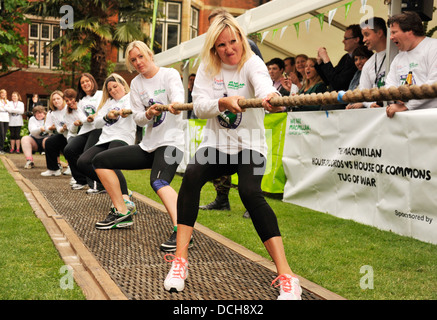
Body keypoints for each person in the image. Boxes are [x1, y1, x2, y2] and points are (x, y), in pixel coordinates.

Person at [163, 11, 302, 300]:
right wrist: (222, 103)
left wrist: (271, 101)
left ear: (241, 38)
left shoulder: (253, 62)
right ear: (213, 48)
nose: (229, 49)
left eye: (233, 41)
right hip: (216, 144)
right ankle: (180, 261)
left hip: (250, 145)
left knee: (251, 194)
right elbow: (199, 106)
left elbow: (264, 88)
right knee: (192, 175)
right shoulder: (207, 67)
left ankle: (287, 275)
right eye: (221, 45)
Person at [91, 41, 185, 252]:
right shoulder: (136, 84)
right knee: (99, 161)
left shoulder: (169, 74)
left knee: (159, 181)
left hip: (171, 143)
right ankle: (122, 212)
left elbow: (178, 99)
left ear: (150, 54)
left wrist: (175, 106)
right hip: (148, 146)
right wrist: (149, 114)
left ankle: (183, 231)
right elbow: (139, 119)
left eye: (140, 57)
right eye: (133, 60)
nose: (138, 62)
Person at [200, 8, 265, 215]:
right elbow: (203, 99)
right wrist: (218, 102)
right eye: (212, 27)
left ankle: (250, 203)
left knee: (249, 179)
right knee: (211, 165)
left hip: (247, 122)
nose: (228, 48)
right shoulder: (210, 57)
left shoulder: (249, 49)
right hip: (223, 123)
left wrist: (268, 96)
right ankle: (222, 198)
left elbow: (260, 77)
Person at [77, 73, 137, 225]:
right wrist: (106, 117)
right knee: (83, 162)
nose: (113, 91)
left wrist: (126, 111)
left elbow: (139, 114)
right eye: (110, 89)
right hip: (104, 139)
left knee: (108, 159)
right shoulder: (108, 103)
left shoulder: (131, 98)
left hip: (122, 137)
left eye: (115, 87)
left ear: (123, 85)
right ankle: (116, 187)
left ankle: (124, 198)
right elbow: (96, 123)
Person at [385, 11, 437, 118]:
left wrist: (407, 106)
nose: (391, 37)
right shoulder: (398, 58)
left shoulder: (433, 47)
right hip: (406, 122)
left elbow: (434, 83)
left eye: (394, 32)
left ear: (409, 31)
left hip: (431, 119)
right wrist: (395, 96)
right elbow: (389, 84)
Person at [63, 73, 103, 191]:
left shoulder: (101, 94)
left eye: (87, 81)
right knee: (69, 150)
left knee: (87, 154)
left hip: (98, 128)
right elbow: (81, 116)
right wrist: (87, 119)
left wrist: (95, 117)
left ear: (92, 81)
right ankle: (81, 180)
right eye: (82, 83)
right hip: (86, 129)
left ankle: (97, 185)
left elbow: (104, 109)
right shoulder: (81, 100)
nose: (85, 84)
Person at [347, 17, 388, 109]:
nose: (364, 40)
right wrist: (370, 104)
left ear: (379, 33)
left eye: (367, 35)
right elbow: (363, 93)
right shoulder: (368, 64)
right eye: (363, 36)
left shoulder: (398, 54)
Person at [316, 24, 363, 91]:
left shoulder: (361, 59)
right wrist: (320, 63)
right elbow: (329, 80)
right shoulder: (346, 57)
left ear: (356, 39)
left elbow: (337, 84)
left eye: (346, 38)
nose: (343, 41)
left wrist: (326, 59)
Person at [40, 90, 67, 176]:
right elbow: (47, 128)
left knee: (70, 145)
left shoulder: (68, 108)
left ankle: (71, 167)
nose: (56, 101)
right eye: (54, 99)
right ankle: (53, 169)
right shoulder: (51, 113)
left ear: (63, 99)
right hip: (62, 134)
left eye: (58, 98)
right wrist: (51, 128)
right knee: (49, 142)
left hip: (73, 135)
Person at [0, 89, 9, 154]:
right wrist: (5, 108)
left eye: (4, 93)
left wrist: (4, 108)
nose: (3, 94)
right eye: (2, 93)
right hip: (0, 118)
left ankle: (2, 148)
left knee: (4, 134)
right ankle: (0, 148)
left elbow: (10, 109)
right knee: (1, 134)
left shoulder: (8, 101)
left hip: (6, 119)